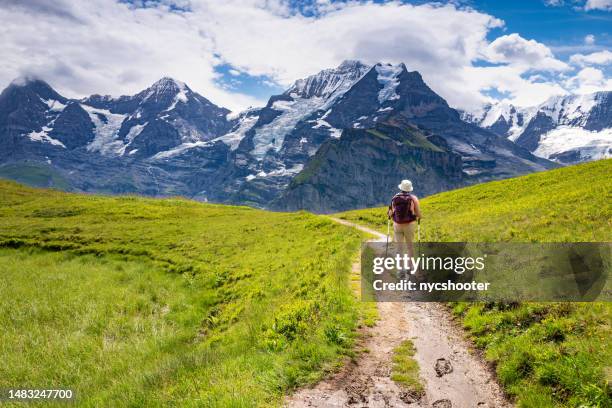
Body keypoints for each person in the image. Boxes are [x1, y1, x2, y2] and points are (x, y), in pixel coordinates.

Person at [388, 179, 422, 274]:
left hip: (397, 225)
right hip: (409, 225)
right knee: (410, 246)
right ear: (410, 189)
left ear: (401, 187)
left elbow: (390, 213)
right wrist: (419, 217)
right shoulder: (413, 198)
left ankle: (400, 269)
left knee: (399, 247)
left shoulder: (394, 197)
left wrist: (390, 216)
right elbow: (418, 213)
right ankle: (410, 267)